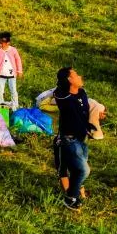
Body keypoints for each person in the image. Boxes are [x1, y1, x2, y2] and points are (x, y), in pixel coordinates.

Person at [36, 68, 95, 209]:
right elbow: (45, 100)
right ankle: (70, 197)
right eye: (76, 75)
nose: (80, 76)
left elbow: (83, 113)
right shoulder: (62, 97)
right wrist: (60, 84)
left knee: (77, 169)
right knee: (82, 170)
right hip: (67, 139)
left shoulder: (82, 93)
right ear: (69, 80)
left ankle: (75, 193)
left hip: (82, 137)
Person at [0, 31, 25, 109]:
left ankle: (15, 104)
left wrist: (19, 71)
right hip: (1, 74)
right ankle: (1, 103)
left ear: (8, 43)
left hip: (11, 74)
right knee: (0, 90)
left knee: (13, 89)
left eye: (2, 43)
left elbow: (18, 60)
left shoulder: (13, 50)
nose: (1, 44)